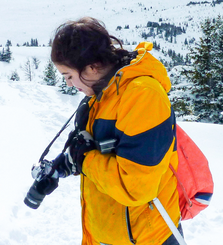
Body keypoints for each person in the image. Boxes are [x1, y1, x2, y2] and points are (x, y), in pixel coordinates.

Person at [50, 17, 182, 245]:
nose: (70, 85)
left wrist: (84, 160)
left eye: (69, 76)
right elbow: (93, 149)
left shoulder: (143, 96)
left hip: (149, 238)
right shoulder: (102, 93)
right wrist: (62, 165)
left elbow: (135, 188)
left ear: (92, 67)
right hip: (109, 235)